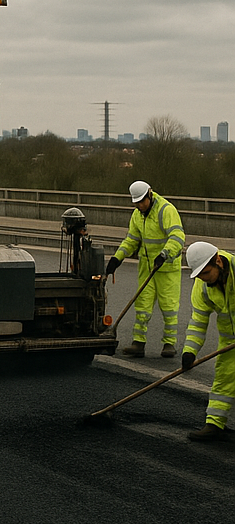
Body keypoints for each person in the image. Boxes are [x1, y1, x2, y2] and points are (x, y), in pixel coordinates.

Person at [104, 180, 185, 358]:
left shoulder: (166, 210)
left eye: (142, 202)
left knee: (169, 306)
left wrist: (165, 254)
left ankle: (169, 344)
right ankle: (138, 343)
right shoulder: (137, 215)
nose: (140, 206)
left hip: (167, 267)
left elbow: (178, 237)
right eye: (136, 203)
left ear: (150, 194)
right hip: (147, 266)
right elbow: (132, 240)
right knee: (142, 305)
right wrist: (117, 258)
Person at [180, 241, 235, 441]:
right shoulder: (202, 287)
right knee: (223, 380)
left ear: (218, 262)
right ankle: (214, 424)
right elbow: (198, 321)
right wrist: (189, 352)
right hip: (230, 342)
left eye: (206, 273)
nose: (203, 279)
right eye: (200, 275)